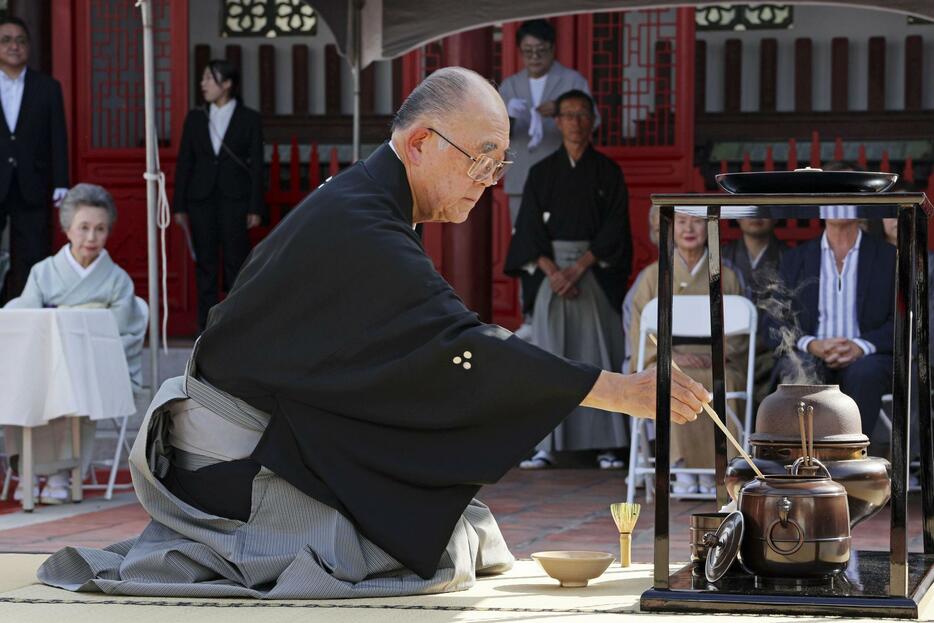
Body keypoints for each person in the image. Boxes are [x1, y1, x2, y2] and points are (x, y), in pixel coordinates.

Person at [37, 67, 709, 599]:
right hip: (235, 467)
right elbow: (458, 353)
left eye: (499, 163)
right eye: (481, 158)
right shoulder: (362, 221)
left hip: (272, 434)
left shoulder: (366, 204)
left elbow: (411, 355)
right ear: (420, 143)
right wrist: (619, 390)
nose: (488, 180)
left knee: (470, 527)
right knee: (436, 550)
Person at [504, 90, 631, 470]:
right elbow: (526, 229)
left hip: (593, 272)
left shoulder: (608, 172)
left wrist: (578, 268)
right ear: (556, 122)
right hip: (550, 274)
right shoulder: (542, 173)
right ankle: (545, 446)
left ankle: (607, 444)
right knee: (548, 358)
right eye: (568, 115)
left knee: (600, 355)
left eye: (582, 115)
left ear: (593, 121)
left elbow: (615, 230)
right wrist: (552, 271)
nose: (575, 122)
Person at [4, 183, 146, 504]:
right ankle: (28, 469)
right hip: (42, 364)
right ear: (67, 229)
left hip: (95, 367)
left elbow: (123, 334)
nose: (91, 238)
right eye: (83, 228)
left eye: (100, 229)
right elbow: (25, 319)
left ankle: (59, 474)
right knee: (27, 383)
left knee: (71, 383)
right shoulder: (44, 273)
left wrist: (71, 331)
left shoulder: (117, 280)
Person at [630, 213, 746, 495]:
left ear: (709, 229)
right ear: (669, 229)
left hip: (717, 360)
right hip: (670, 359)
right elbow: (640, 334)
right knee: (671, 380)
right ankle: (680, 468)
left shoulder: (726, 275)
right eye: (681, 222)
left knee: (723, 380)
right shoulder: (651, 276)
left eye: (696, 222)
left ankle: (718, 469)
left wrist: (717, 355)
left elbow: (740, 335)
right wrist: (672, 358)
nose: (689, 229)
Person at [770, 206, 895, 437]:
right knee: (800, 365)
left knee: (864, 373)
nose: (839, 203)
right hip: (813, 352)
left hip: (868, 357)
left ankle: (852, 456)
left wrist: (859, 346)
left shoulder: (888, 257)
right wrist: (812, 344)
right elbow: (775, 321)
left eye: (846, 196)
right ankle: (804, 460)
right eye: (832, 195)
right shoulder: (795, 258)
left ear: (862, 206)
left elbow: (903, 321)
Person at [173, 59, 265, 332]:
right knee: (206, 264)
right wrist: (178, 204)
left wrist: (255, 207)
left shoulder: (249, 118)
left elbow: (258, 165)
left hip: (235, 198)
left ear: (227, 84)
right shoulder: (196, 117)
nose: (203, 84)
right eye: (203, 79)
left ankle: (236, 326)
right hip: (200, 198)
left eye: (209, 79)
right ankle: (206, 327)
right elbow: (185, 162)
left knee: (237, 262)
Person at [498, 19, 597, 227]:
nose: (534, 57)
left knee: (563, 234)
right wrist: (508, 117)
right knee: (524, 239)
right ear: (520, 51)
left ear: (552, 48)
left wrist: (561, 110)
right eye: (528, 51)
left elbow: (594, 121)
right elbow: (493, 136)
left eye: (541, 51)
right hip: (521, 178)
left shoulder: (572, 81)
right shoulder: (509, 86)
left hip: (563, 176)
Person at [0, 16, 68, 301]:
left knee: (32, 253)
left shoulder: (47, 87)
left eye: (21, 40)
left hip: (34, 183)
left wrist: (61, 182)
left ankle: (27, 314)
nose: (14, 46)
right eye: (6, 40)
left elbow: (58, 136)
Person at [722, 218, 786, 404]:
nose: (756, 215)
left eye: (763, 207)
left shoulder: (790, 257)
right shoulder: (721, 257)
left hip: (772, 352)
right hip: (730, 350)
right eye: (749, 207)